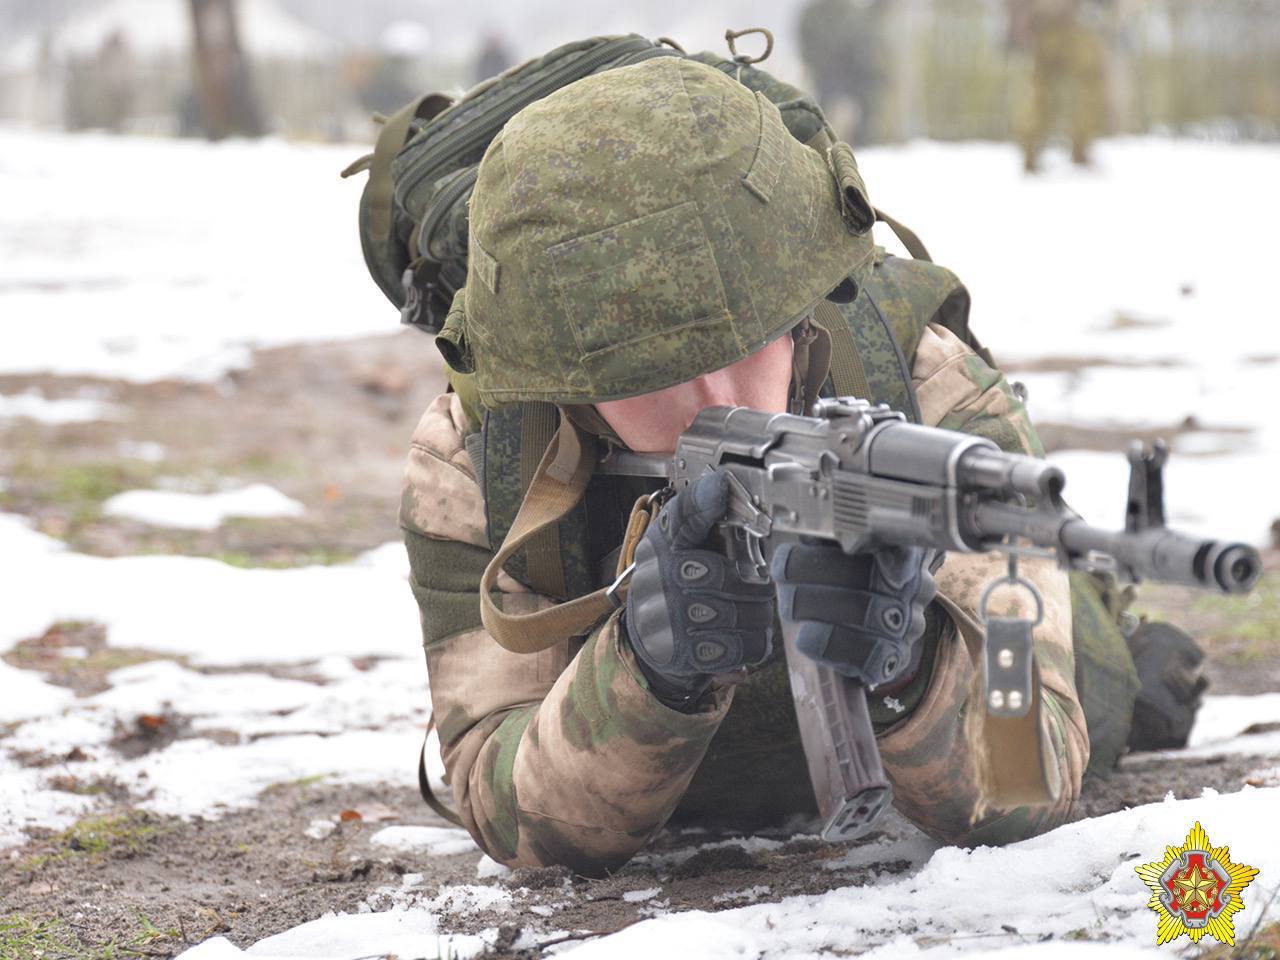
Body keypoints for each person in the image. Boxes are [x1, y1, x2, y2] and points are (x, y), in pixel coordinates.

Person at [399, 56, 1087, 876]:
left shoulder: (929, 389)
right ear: (570, 387)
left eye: (748, 342)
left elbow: (1028, 774)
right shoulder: (478, 461)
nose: (719, 397)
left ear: (799, 312)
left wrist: (908, 667)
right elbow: (509, 817)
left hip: (986, 724)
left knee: (1138, 685)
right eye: (654, 372)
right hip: (671, 827)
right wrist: (649, 671)